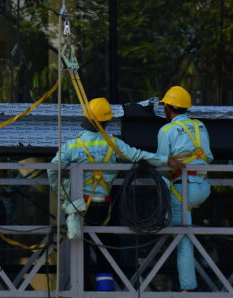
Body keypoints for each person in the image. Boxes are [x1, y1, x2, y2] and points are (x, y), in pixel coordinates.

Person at [48, 98, 179, 240]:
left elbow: (53, 169)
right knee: (105, 244)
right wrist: (166, 160)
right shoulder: (114, 144)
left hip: (79, 206)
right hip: (103, 206)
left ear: (86, 118)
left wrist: (60, 192)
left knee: (81, 249)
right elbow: (137, 155)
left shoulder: (71, 146)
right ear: (106, 121)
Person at [156, 85, 214, 291]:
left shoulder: (167, 130)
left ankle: (188, 287)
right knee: (184, 232)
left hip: (182, 190)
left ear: (168, 108)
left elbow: (162, 164)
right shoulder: (201, 127)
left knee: (183, 240)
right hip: (202, 187)